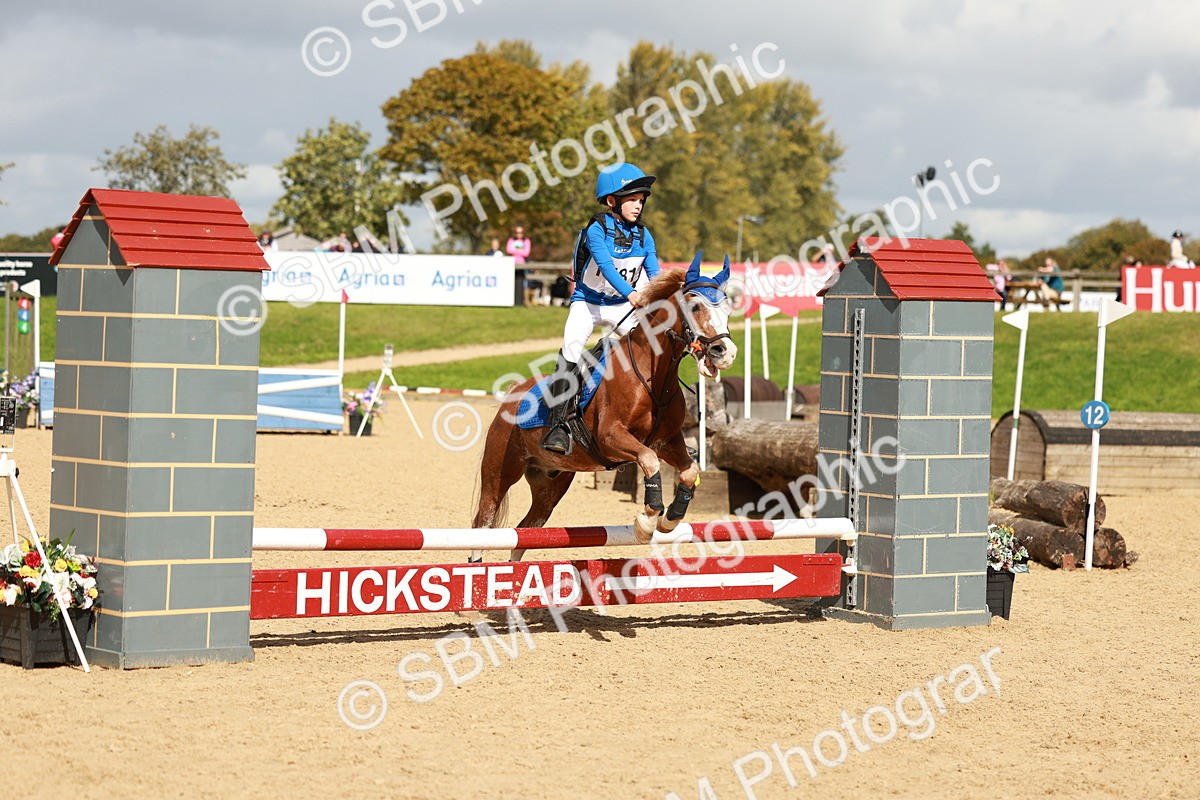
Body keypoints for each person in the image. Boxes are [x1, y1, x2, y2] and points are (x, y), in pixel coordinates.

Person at [540, 162, 660, 454]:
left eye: (641, 200)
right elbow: (606, 267)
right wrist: (632, 293)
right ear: (611, 201)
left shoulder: (645, 236)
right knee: (571, 348)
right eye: (632, 199)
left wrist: (661, 296)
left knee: (653, 349)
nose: (638, 205)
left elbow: (655, 273)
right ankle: (558, 427)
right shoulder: (597, 229)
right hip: (589, 303)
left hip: (621, 307)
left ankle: (656, 419)